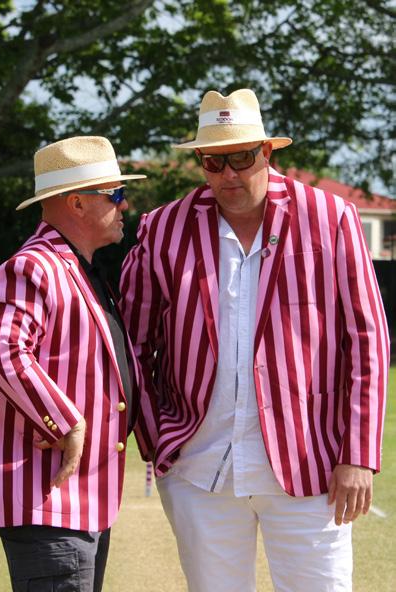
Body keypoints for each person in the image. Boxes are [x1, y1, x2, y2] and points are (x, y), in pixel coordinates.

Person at [119, 89, 390, 591]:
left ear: (266, 152)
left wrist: (358, 455)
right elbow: (131, 344)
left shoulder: (330, 217)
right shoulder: (162, 228)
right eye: (214, 161)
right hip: (198, 468)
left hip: (311, 465)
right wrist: (157, 437)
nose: (228, 174)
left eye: (241, 158)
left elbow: (367, 338)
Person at [0, 135, 146, 591]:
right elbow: (3, 351)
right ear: (77, 203)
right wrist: (67, 422)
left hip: (79, 501)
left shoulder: (78, 268)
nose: (125, 205)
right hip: (47, 500)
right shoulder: (33, 267)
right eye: (116, 193)